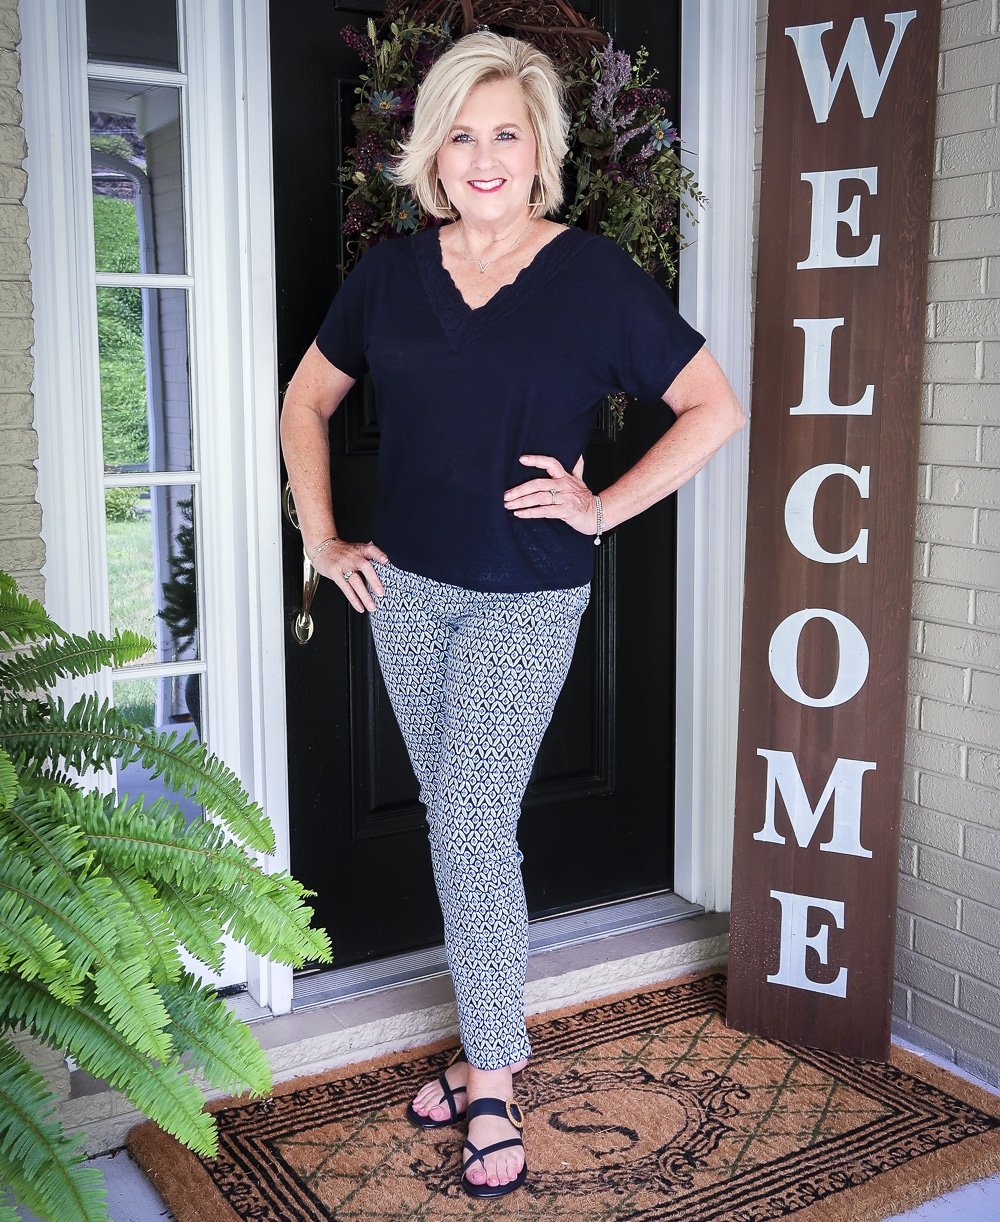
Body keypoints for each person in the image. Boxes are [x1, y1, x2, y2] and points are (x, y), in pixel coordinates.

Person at [279, 30, 745, 1200]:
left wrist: (603, 507)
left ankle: (492, 1075)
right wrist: (320, 535)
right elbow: (307, 398)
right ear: (431, 152)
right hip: (405, 592)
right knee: (458, 821)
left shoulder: (589, 276)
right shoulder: (390, 273)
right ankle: (490, 1031)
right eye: (461, 132)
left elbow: (711, 406)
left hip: (526, 599)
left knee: (473, 828)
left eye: (505, 132)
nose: (482, 155)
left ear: (538, 149)